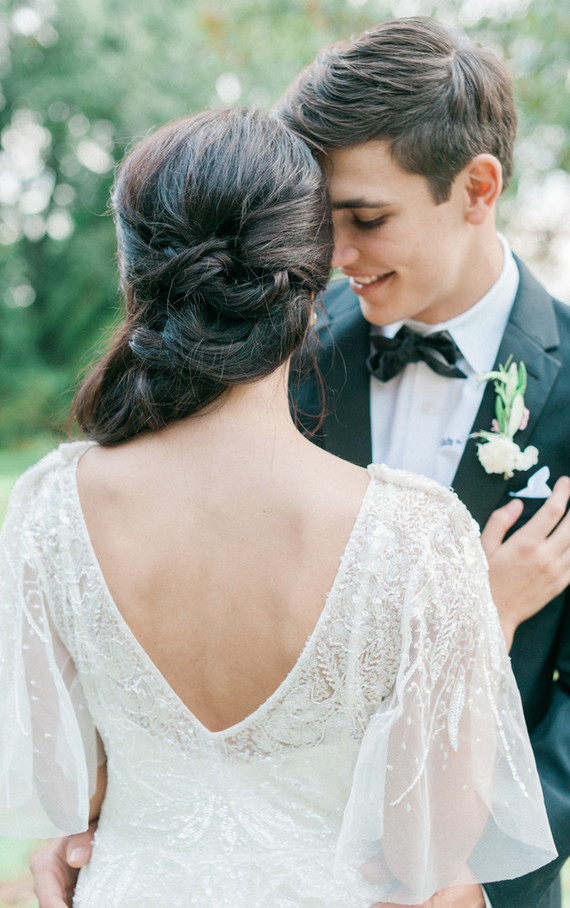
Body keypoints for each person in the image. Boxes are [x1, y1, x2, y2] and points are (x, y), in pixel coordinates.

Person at [0, 108, 557, 907]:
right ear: (311, 272)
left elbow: (72, 790)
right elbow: (425, 845)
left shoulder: (51, 505)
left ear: (136, 277)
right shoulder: (419, 533)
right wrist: (483, 622)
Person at [276, 16, 570, 908]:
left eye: (366, 219)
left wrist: (469, 870)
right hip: (289, 856)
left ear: (477, 187)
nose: (334, 257)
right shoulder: (282, 361)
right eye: (317, 223)